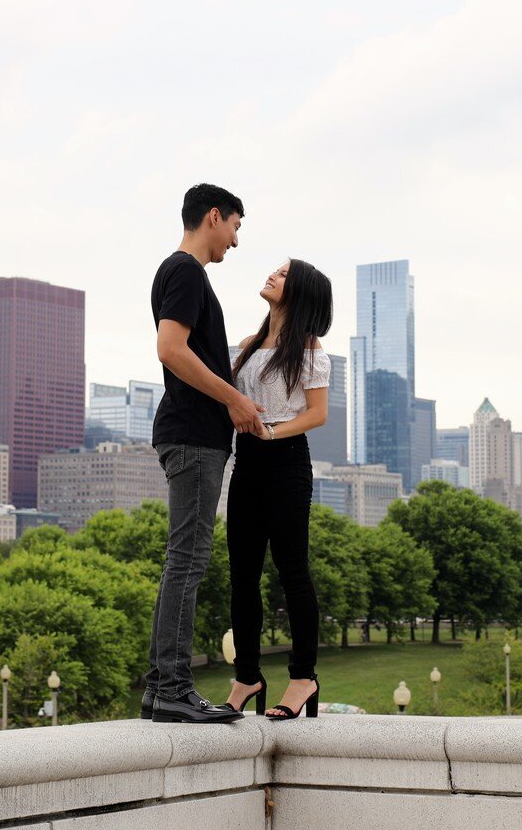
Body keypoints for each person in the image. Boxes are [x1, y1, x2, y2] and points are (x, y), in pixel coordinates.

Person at [141, 183, 264, 725]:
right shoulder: (187, 272)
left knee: (184, 561)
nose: (235, 242)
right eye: (236, 227)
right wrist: (235, 398)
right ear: (214, 217)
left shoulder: (179, 274)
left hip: (192, 435)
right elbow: (170, 349)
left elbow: (194, 351)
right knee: (186, 562)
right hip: (193, 437)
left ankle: (160, 689)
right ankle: (171, 687)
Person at [221, 258, 333, 721]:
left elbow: (316, 414)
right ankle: (247, 675)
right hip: (245, 461)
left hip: (285, 462)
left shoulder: (308, 348)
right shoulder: (248, 346)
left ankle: (303, 678)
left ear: (301, 291)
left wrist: (270, 431)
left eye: (284, 274)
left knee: (293, 572)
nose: (272, 274)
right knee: (242, 575)